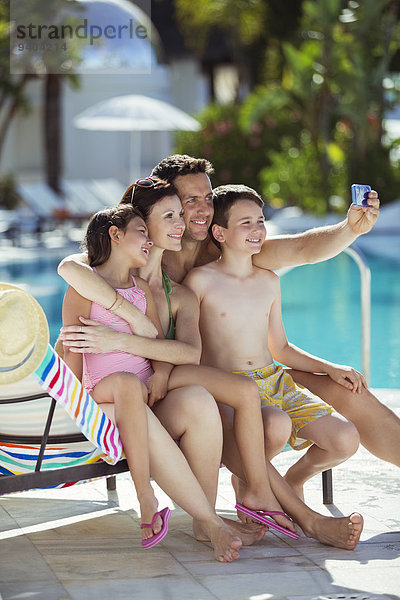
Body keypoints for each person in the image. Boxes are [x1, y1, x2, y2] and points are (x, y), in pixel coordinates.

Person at [60, 179, 364, 551]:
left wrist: (144, 354)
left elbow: (177, 350)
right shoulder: (107, 282)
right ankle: (294, 515)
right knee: (218, 401)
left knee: (234, 396)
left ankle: (244, 500)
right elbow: (70, 271)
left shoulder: (174, 290)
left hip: (165, 383)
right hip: (121, 391)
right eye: (170, 216)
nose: (182, 223)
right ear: (135, 227)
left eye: (181, 215)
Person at [61, 202, 251, 560]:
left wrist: (160, 378)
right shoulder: (82, 290)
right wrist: (71, 413)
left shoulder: (141, 292)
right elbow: (73, 357)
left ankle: (202, 514)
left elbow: (158, 351)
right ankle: (171, 507)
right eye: (141, 232)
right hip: (104, 398)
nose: (148, 241)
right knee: (127, 385)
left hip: (145, 399)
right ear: (115, 235)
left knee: (197, 399)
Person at [184, 185, 365, 503]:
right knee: (276, 426)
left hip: (275, 380)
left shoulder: (269, 281)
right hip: (230, 388)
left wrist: (330, 368)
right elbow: (192, 351)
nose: (257, 230)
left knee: (345, 438)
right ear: (220, 233)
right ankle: (249, 490)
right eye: (245, 223)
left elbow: (280, 348)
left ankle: (291, 481)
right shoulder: (200, 281)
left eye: (260, 220)